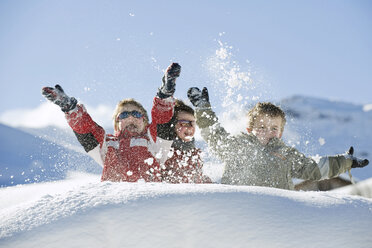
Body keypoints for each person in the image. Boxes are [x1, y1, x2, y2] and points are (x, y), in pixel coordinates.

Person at [187, 87, 369, 190]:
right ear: (250, 129)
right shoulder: (237, 146)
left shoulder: (286, 154)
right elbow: (214, 134)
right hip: (237, 210)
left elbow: (313, 168)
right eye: (262, 127)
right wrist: (203, 109)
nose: (268, 132)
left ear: (281, 132)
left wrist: (345, 162)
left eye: (274, 128)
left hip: (277, 214)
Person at [41, 63, 181, 183]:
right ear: (116, 123)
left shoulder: (153, 140)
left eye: (137, 114)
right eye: (124, 114)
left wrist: (164, 95)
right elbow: (86, 129)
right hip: (115, 206)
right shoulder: (106, 145)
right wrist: (70, 109)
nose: (131, 118)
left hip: (148, 204)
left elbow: (162, 120)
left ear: (145, 122)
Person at [157, 100, 212, 183]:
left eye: (192, 123)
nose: (190, 127)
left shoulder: (194, 153)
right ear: (173, 125)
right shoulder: (164, 151)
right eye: (184, 123)